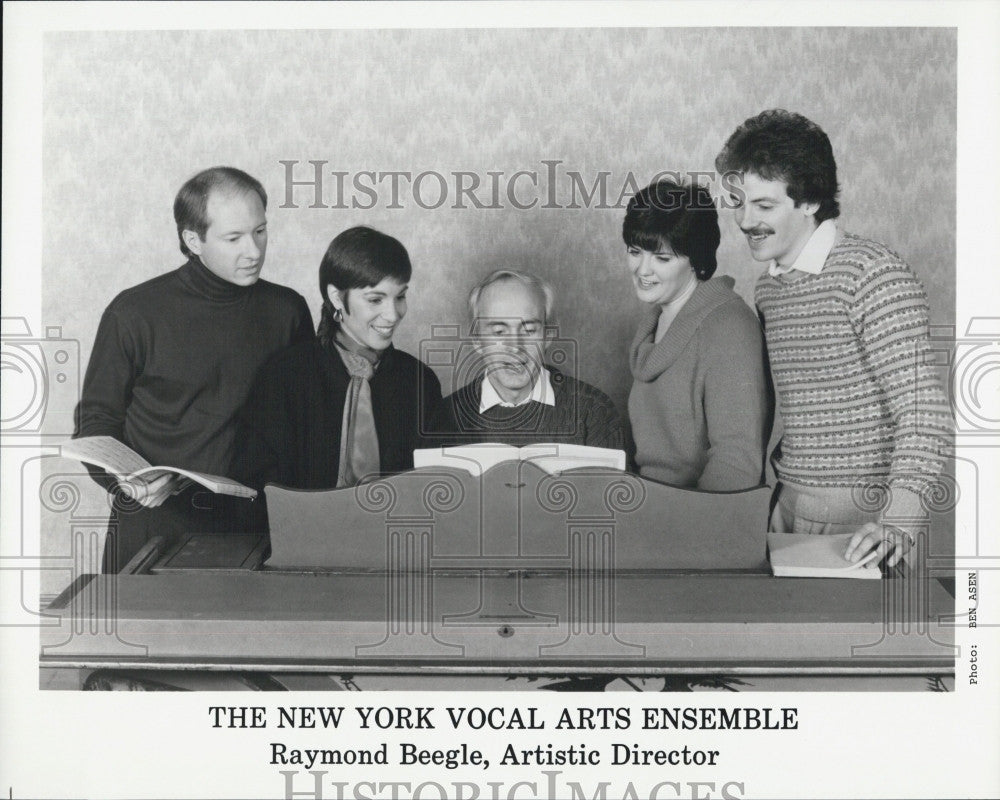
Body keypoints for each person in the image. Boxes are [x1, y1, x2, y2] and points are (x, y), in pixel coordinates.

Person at [715, 109, 952, 567]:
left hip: (862, 519)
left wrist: (899, 521)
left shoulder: (873, 273)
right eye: (739, 203)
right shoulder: (770, 287)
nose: (745, 221)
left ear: (809, 201)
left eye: (764, 206)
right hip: (785, 504)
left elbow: (926, 413)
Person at [74, 166, 314, 571]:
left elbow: (304, 422)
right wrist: (125, 481)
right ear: (193, 239)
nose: (254, 251)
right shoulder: (133, 312)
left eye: (260, 231)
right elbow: (97, 419)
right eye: (234, 237)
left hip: (253, 527)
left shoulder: (287, 310)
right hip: (152, 525)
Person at [235, 226, 447, 499]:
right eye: (375, 299)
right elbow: (255, 487)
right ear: (336, 297)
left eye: (400, 296)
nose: (393, 314)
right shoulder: (284, 376)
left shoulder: (420, 381)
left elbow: (436, 488)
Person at [624, 179, 772, 491]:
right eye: (635, 251)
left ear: (697, 260)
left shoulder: (728, 324)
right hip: (649, 508)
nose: (642, 270)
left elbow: (737, 460)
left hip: (699, 518)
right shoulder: (655, 318)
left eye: (662, 258)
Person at [444, 269, 625, 449]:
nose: (515, 347)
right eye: (499, 332)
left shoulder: (595, 411)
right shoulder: (445, 415)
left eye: (529, 330)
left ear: (548, 335)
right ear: (477, 340)